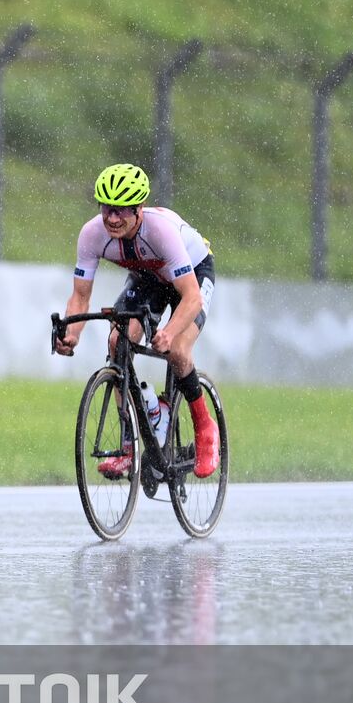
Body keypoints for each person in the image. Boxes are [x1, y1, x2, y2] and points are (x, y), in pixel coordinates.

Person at [55, 163, 219, 478]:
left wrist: (169, 333)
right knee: (118, 342)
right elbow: (80, 297)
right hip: (149, 278)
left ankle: (204, 426)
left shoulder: (160, 231)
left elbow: (192, 297)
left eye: (121, 211)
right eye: (107, 209)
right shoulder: (92, 234)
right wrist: (71, 332)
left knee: (178, 349)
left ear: (139, 209)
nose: (112, 219)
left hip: (193, 275)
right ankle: (130, 445)